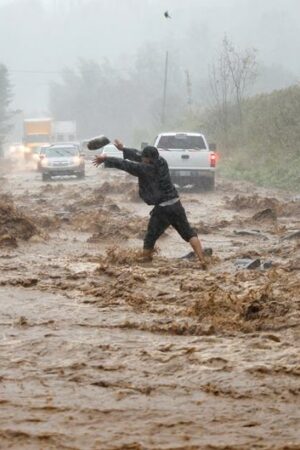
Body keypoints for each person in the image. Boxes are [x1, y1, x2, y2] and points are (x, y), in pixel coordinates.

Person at [92, 139, 207, 268]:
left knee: (150, 237)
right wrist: (123, 149)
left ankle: (146, 263)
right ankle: (202, 260)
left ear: (147, 159)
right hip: (176, 204)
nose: (141, 159)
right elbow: (138, 154)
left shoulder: (145, 169)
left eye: (144, 158)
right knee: (189, 233)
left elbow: (125, 164)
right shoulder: (162, 161)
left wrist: (105, 159)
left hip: (163, 209)